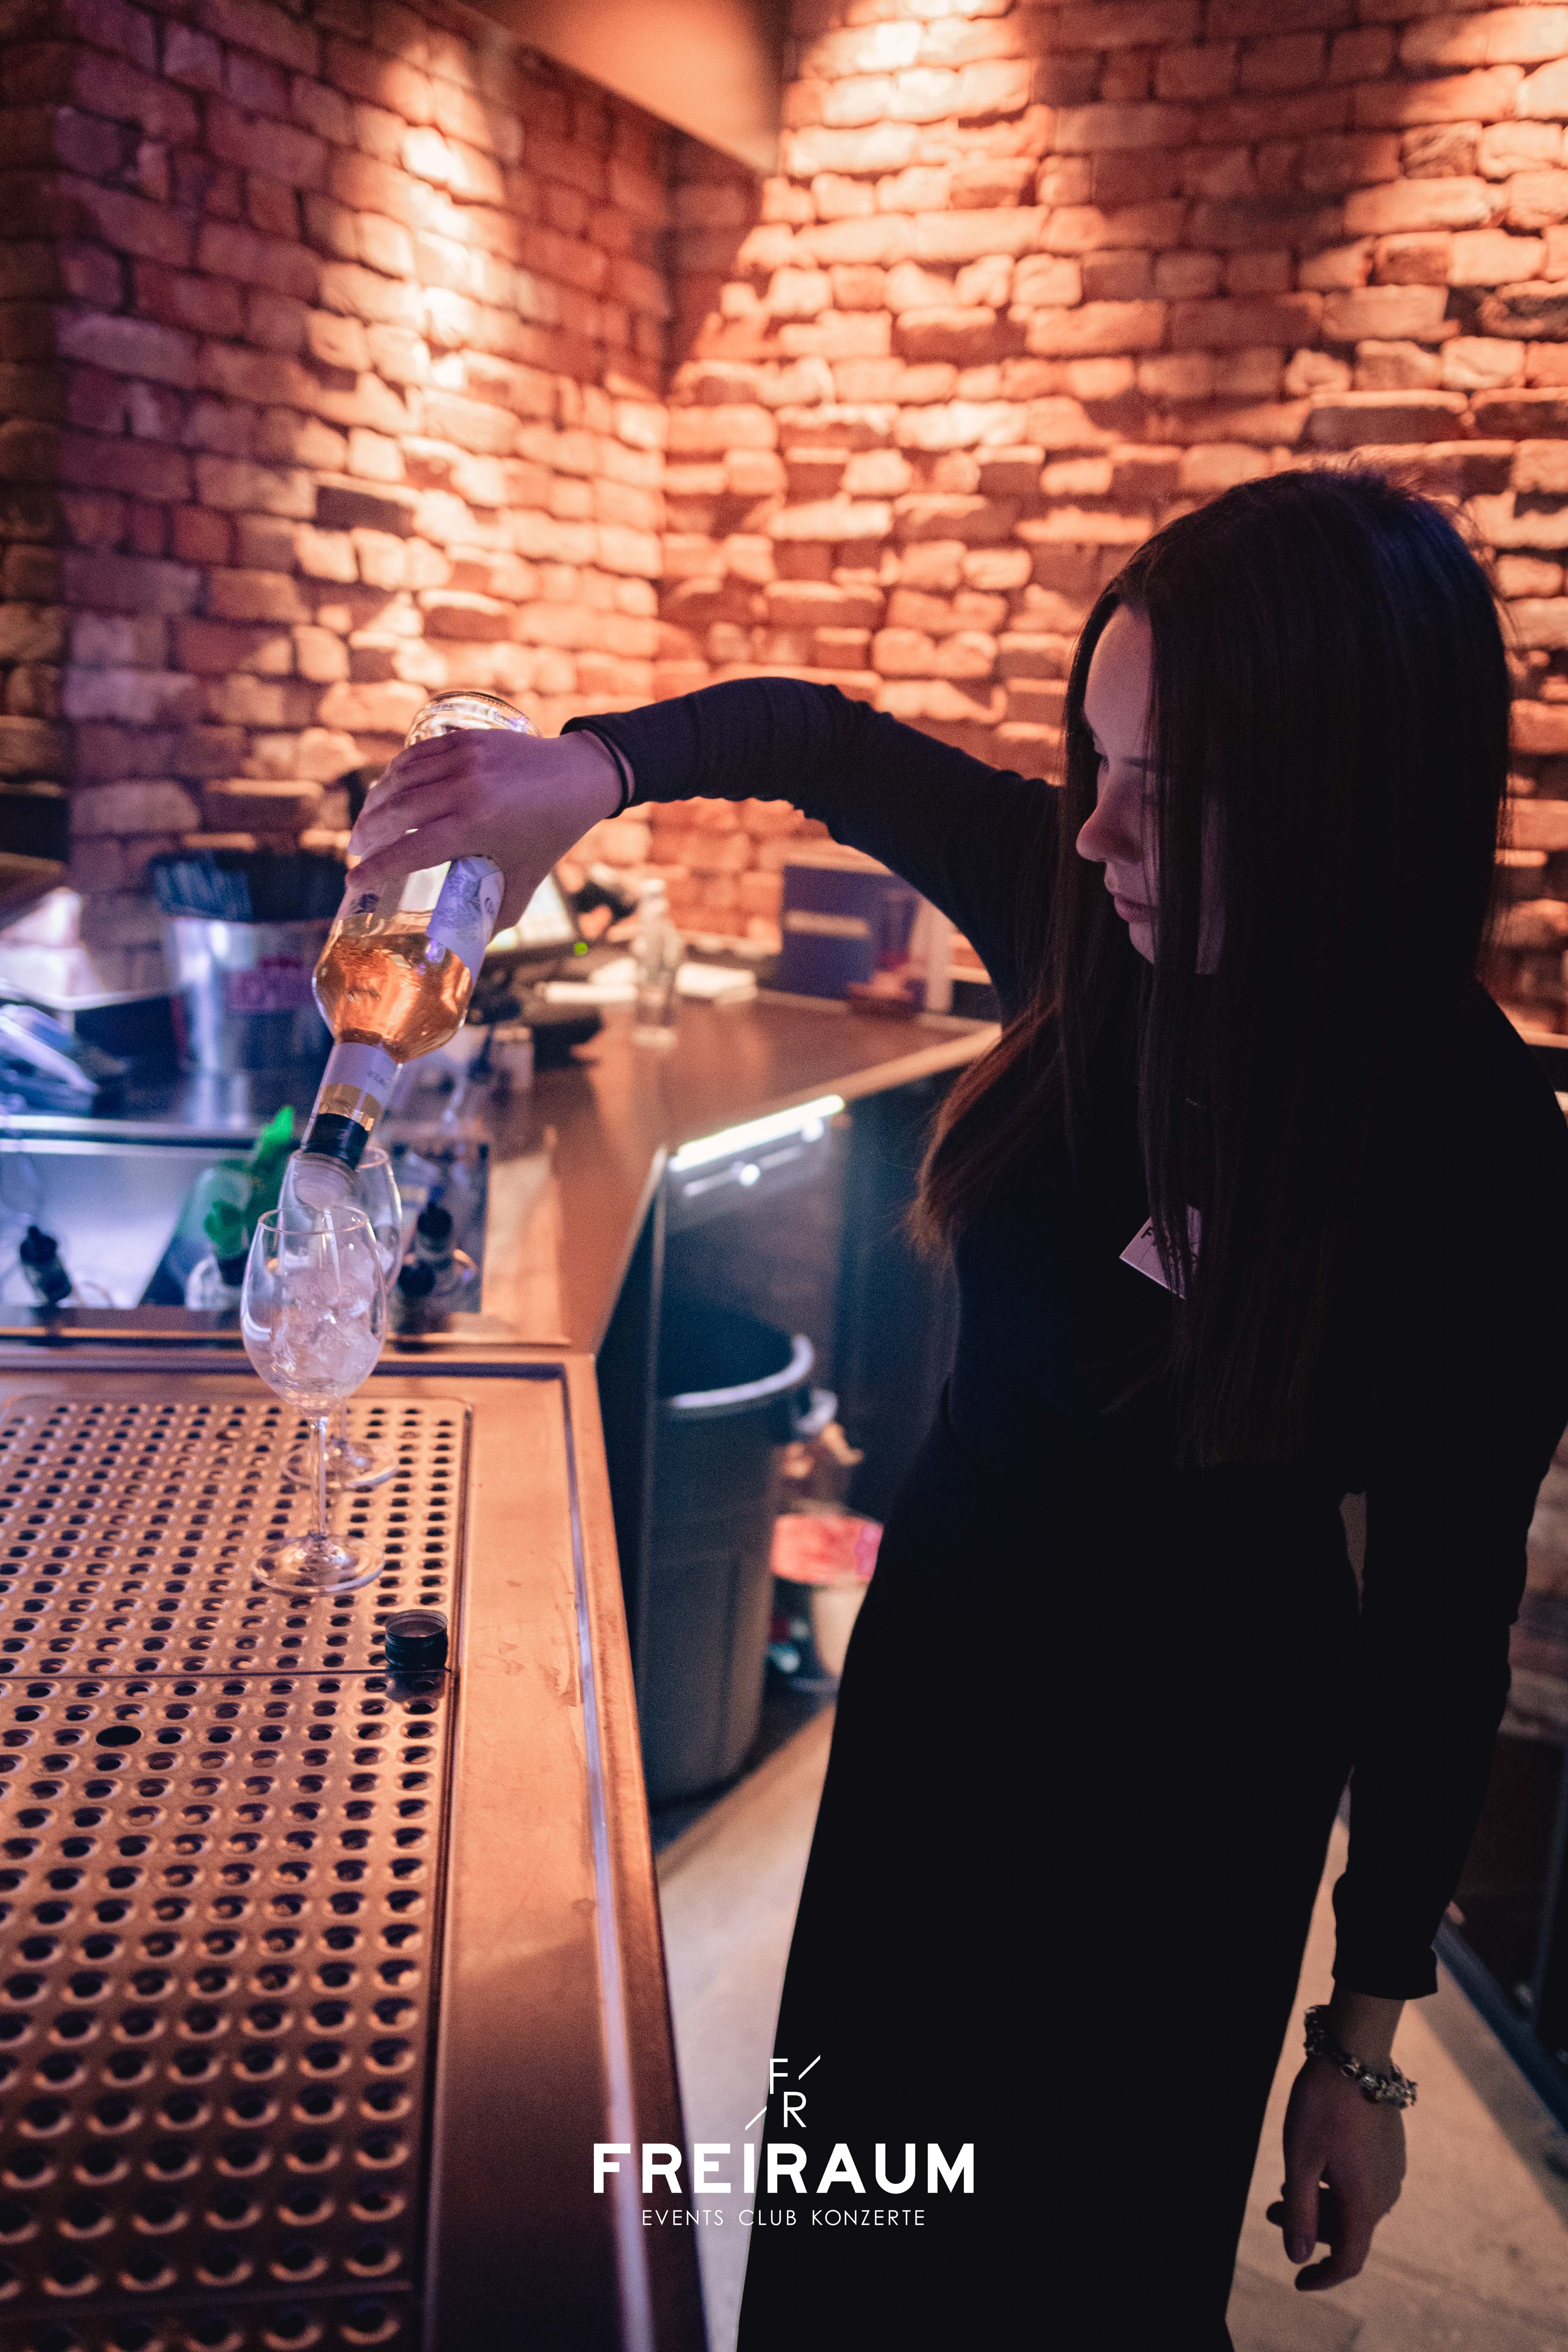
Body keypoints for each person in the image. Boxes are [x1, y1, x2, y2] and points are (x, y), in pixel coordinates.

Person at [348, 471, 1568, 2348]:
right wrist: (582, 774)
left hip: (1201, 1776)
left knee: (1090, 2261)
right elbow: (811, 739)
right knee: (858, 2203)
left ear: (1350, 804)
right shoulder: (1083, 917)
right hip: (950, 1669)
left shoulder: (1478, 1148)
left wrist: (1363, 2041)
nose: (1097, 833)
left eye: (1171, 790)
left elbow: (1439, 1623)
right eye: (1099, 763)